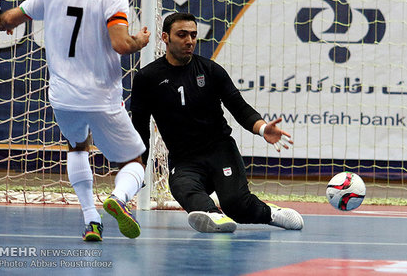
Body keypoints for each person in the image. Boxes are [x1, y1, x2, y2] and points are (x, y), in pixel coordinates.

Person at [0, 0, 151, 242]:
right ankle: (118, 199)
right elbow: (121, 44)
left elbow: (11, 18)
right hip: (102, 97)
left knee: (77, 146)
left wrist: (3, 22)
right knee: (134, 163)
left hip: (63, 97)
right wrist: (141, 40)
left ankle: (91, 220)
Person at [130, 12, 303, 233]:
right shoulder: (147, 78)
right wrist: (139, 164)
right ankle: (213, 216)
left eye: (193, 35)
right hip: (184, 159)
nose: (189, 41)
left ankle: (272, 214)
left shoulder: (210, 71)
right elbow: (140, 126)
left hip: (219, 151)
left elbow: (239, 107)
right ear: (165, 37)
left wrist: (262, 128)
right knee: (183, 189)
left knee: (238, 206)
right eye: (182, 35)